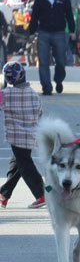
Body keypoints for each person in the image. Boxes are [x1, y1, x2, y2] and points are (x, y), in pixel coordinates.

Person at [0, 61, 46, 209]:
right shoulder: (33, 93)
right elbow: (40, 112)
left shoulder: (6, 94)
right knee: (17, 164)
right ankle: (4, 194)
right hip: (31, 135)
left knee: (25, 165)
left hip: (16, 136)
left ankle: (41, 193)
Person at [27, 0, 75, 96]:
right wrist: (32, 32)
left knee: (60, 61)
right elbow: (34, 17)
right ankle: (46, 87)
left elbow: (69, 15)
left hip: (59, 33)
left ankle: (58, 80)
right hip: (43, 33)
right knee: (43, 61)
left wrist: (72, 31)